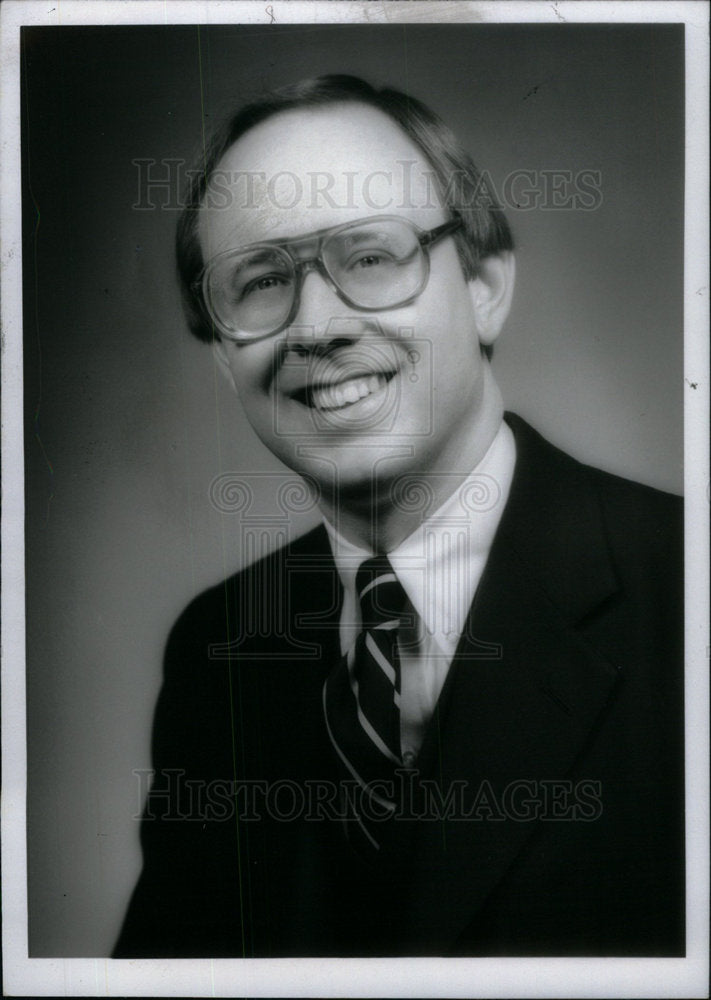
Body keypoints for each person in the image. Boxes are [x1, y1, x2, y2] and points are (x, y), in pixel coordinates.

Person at [113, 75, 684, 958]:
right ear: (224, 359)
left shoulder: (689, 591)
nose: (315, 326)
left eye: (369, 257)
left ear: (486, 285)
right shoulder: (216, 648)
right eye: (260, 280)